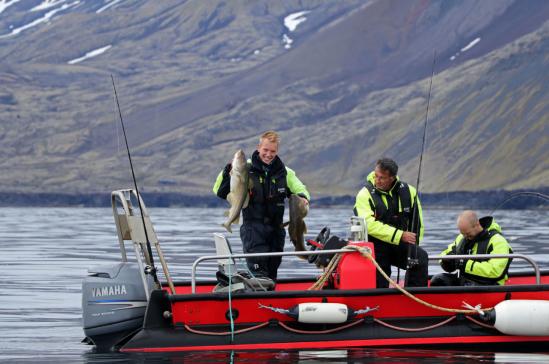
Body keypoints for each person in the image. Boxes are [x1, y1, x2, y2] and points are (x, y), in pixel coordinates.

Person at [213, 131, 310, 281]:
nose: (268, 154)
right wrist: (227, 171)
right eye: (265, 150)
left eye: (273, 151)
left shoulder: (285, 172)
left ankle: (269, 301)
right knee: (259, 277)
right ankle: (258, 300)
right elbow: (219, 190)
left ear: (277, 151)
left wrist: (303, 198)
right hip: (253, 231)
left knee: (271, 276)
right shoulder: (244, 168)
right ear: (259, 147)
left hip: (276, 233)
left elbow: (301, 189)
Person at [353, 158, 428, 288]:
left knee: (420, 257)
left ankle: (415, 295)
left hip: (398, 244)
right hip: (374, 247)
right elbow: (369, 225)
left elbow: (417, 223)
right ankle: (379, 301)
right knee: (381, 277)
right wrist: (400, 235)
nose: (377, 180)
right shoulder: (364, 194)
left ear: (392, 178)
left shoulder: (410, 192)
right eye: (376, 176)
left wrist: (414, 247)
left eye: (382, 178)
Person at [431, 210, 513, 286]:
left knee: (468, 286)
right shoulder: (462, 238)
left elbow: (495, 271)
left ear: (477, 225)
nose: (466, 237)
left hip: (490, 283)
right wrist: (446, 260)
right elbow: (445, 253)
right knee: (437, 280)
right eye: (463, 234)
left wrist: (465, 264)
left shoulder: (498, 241)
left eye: (468, 233)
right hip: (465, 280)